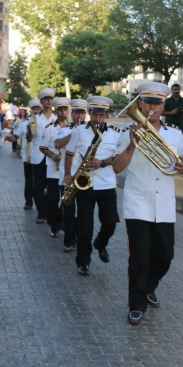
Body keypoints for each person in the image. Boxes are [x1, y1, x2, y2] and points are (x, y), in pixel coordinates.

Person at [112, 82, 183, 325]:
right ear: (139, 104)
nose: (151, 107)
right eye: (147, 103)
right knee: (139, 258)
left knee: (165, 256)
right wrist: (133, 143)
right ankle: (136, 304)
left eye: (157, 103)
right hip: (138, 203)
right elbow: (116, 167)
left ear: (163, 106)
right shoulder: (126, 132)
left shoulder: (174, 135)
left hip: (164, 205)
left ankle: (149, 286)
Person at [64, 95, 125, 276]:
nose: (98, 119)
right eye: (95, 115)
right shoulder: (79, 131)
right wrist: (68, 174)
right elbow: (69, 153)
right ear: (89, 112)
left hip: (106, 184)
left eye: (102, 115)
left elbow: (118, 157)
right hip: (85, 185)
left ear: (107, 114)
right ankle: (83, 262)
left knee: (111, 222)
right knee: (84, 227)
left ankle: (100, 243)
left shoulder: (115, 133)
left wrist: (103, 162)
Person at [39, 98, 73, 237]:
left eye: (65, 109)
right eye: (60, 109)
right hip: (53, 169)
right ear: (56, 111)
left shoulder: (73, 127)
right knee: (53, 200)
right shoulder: (49, 128)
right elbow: (43, 147)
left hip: (67, 169)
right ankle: (54, 224)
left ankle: (62, 223)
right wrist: (53, 156)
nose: (63, 112)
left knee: (66, 201)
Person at [56, 101, 86, 252]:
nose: (79, 115)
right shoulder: (64, 130)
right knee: (68, 211)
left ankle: (79, 238)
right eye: (76, 112)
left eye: (81, 112)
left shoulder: (91, 131)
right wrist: (74, 134)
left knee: (83, 212)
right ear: (72, 114)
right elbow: (57, 144)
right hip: (67, 176)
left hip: (83, 178)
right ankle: (69, 240)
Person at [29, 90, 56, 223]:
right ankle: (41, 212)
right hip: (38, 156)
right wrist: (29, 129)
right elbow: (30, 138)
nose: (48, 101)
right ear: (41, 102)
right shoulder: (35, 118)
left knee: (52, 187)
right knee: (38, 187)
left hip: (52, 156)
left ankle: (51, 212)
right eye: (45, 99)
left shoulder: (57, 117)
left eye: (50, 98)